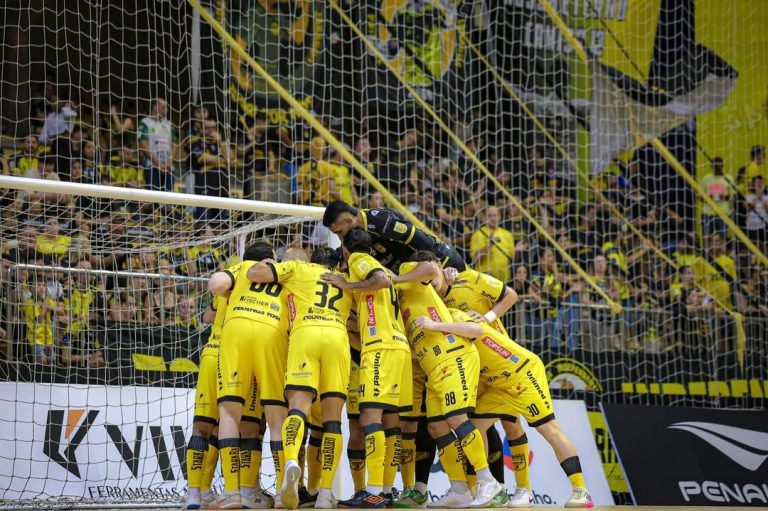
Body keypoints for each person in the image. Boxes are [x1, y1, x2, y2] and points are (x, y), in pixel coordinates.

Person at [419, 306, 594, 509]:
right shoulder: (439, 330)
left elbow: (478, 328)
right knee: (474, 428)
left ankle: (580, 490)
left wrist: (439, 324)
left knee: (549, 429)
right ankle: (480, 488)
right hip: (498, 385)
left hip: (522, 373)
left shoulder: (452, 316)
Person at [393, 251, 504, 509]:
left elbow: (429, 268)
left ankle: (488, 481)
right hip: (433, 367)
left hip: (453, 357)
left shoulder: (410, 273)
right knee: (436, 427)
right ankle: (459, 490)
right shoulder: (407, 298)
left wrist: (395, 277)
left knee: (456, 419)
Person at [247, 247, 353, 510]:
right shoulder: (346, 280)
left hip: (305, 334)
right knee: (332, 421)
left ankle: (291, 461)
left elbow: (255, 274)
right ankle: (325, 494)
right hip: (337, 338)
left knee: (297, 408)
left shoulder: (299, 268)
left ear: (312, 260)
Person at [321, 229, 412, 508]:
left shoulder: (359, 260)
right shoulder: (374, 264)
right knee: (391, 421)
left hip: (380, 347)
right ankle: (385, 490)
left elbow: (380, 280)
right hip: (399, 347)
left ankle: (372, 492)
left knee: (370, 418)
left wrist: (346, 285)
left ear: (346, 250)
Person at [207, 242, 288, 509]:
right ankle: (281, 492)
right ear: (271, 258)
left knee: (229, 413)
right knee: (276, 417)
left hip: (237, 332)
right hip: (272, 331)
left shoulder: (242, 268)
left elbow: (216, 284)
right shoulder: (282, 271)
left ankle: (232, 491)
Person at [322, 200, 466, 272]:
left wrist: (437, 266)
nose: (340, 238)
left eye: (339, 232)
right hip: (418, 272)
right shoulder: (355, 235)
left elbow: (421, 240)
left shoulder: (381, 221)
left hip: (444, 261)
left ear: (349, 221)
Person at [184, 295, 224, 509]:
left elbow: (207, 316)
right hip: (237, 356)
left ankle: (195, 493)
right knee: (229, 426)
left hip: (213, 352)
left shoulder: (227, 285)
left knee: (202, 426)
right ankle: (213, 490)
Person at [139, 98, 177, 191]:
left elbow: (174, 144)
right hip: (151, 165)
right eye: (163, 107)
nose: (167, 110)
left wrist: (169, 161)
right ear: (155, 107)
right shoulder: (144, 122)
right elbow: (143, 145)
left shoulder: (168, 124)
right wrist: (158, 163)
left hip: (168, 166)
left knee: (169, 196)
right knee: (152, 195)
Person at [470, 206, 515, 283]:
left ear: (500, 217)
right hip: (485, 279)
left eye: (495, 215)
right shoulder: (478, 234)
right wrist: (489, 245)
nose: (492, 218)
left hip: (504, 279)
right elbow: (475, 258)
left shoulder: (507, 234)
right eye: (489, 216)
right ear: (485, 217)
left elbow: (512, 257)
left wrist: (518, 250)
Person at [699, 157, 735, 238]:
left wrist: (724, 196)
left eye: (720, 165)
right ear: (712, 166)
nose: (718, 168)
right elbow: (699, 196)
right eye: (716, 166)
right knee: (707, 237)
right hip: (707, 213)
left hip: (723, 213)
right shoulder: (705, 179)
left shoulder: (728, 178)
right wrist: (707, 197)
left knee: (722, 237)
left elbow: (733, 197)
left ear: (723, 166)